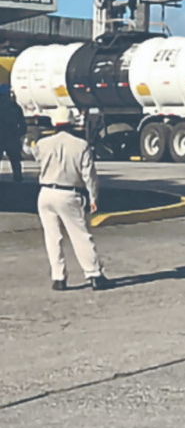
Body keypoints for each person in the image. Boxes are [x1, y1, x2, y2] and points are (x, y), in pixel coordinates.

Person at [32, 107, 111, 291]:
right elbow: (88, 175)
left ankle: (58, 277)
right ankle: (94, 274)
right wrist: (93, 196)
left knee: (52, 237)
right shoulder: (80, 145)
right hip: (68, 193)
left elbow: (38, 160)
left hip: (45, 192)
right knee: (80, 235)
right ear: (72, 123)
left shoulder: (42, 144)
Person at [0, 83, 26, 182]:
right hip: (12, 137)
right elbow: (23, 125)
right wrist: (18, 134)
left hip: (1, 137)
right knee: (15, 161)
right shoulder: (15, 107)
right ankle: (18, 179)